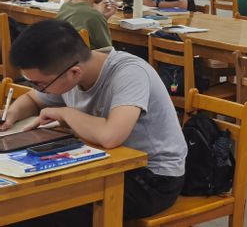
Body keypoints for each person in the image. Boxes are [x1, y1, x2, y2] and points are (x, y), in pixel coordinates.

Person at [4, 20, 185, 225]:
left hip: (152, 179)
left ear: (74, 73)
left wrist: (65, 113)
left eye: (41, 84)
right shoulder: (65, 72)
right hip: (105, 166)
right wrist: (11, 114)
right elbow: (33, 100)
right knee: (21, 200)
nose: (39, 89)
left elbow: (110, 136)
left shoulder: (129, 73)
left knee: (30, 212)